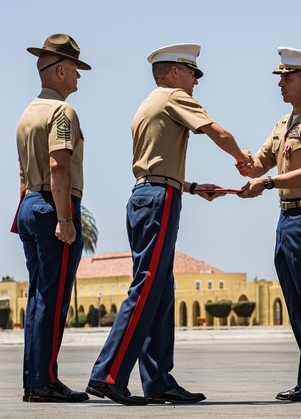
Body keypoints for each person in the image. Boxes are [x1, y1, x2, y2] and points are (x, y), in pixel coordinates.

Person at [87, 43, 251, 406]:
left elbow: (155, 161)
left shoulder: (149, 103)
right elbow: (216, 131)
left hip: (152, 195)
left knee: (160, 290)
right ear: (175, 71)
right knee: (148, 287)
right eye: (193, 73)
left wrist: (191, 187)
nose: (196, 81)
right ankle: (108, 375)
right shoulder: (173, 97)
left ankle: (158, 380)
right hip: (158, 200)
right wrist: (243, 160)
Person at [239, 47, 301, 401]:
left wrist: (266, 183)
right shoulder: (285, 124)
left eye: (288, 77)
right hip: (288, 218)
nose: (280, 83)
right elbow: (259, 163)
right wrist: (240, 160)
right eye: (280, 77)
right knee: (298, 305)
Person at [15, 33, 91, 403]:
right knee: (54, 297)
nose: (79, 77)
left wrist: (26, 208)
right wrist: (64, 219)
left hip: (30, 203)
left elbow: (22, 172)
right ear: (61, 70)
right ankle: (44, 382)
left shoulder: (28, 113)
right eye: (76, 69)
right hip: (53, 205)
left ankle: (36, 379)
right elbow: (59, 165)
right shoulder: (62, 112)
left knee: (38, 297)